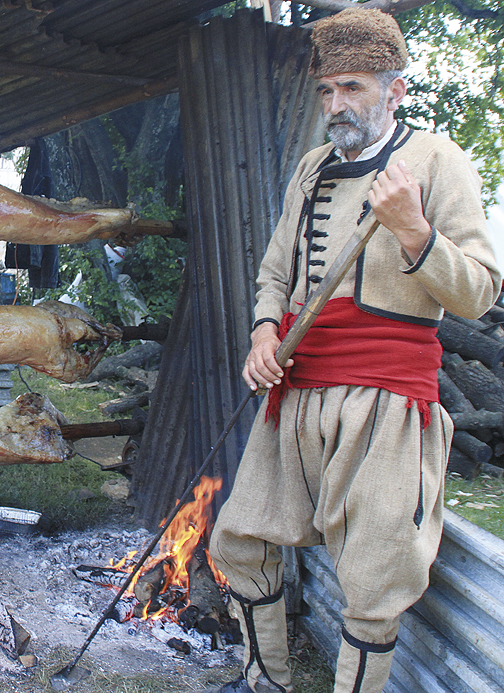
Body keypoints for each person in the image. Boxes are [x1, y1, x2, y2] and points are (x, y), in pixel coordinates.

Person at [204, 9, 500, 693]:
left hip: (386, 399)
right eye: (326, 91)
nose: (335, 105)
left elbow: (479, 291)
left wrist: (414, 231)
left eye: (353, 88)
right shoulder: (311, 166)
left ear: (394, 91)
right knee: (238, 539)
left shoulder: (435, 161)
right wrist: (262, 332)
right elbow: (275, 270)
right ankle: (265, 680)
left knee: (372, 576)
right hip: (297, 387)